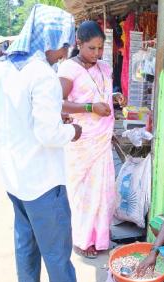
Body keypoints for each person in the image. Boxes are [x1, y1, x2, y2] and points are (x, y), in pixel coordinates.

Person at [0, 5, 102, 282]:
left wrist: (47, 120)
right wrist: (73, 130)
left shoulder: (0, 67)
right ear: (49, 39)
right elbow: (50, 135)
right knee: (56, 247)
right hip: (42, 180)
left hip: (14, 176)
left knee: (26, 243)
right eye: (63, 44)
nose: (65, 53)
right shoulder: (43, 75)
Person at [57, 21, 126, 259]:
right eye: (91, 48)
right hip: (82, 140)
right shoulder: (68, 68)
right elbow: (59, 102)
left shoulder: (105, 68)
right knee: (84, 193)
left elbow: (103, 93)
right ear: (79, 44)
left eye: (100, 48)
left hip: (102, 140)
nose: (97, 54)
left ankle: (100, 237)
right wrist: (90, 107)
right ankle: (82, 239)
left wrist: (114, 96)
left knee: (104, 192)